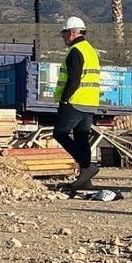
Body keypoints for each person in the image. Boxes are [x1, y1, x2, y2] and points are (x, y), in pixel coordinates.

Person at [52, 16, 103, 191]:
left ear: (73, 32)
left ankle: (87, 166)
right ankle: (85, 180)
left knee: (60, 133)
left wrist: (65, 97)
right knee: (81, 138)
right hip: (89, 102)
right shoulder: (89, 50)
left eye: (64, 33)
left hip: (75, 101)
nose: (63, 37)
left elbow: (74, 78)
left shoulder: (75, 50)